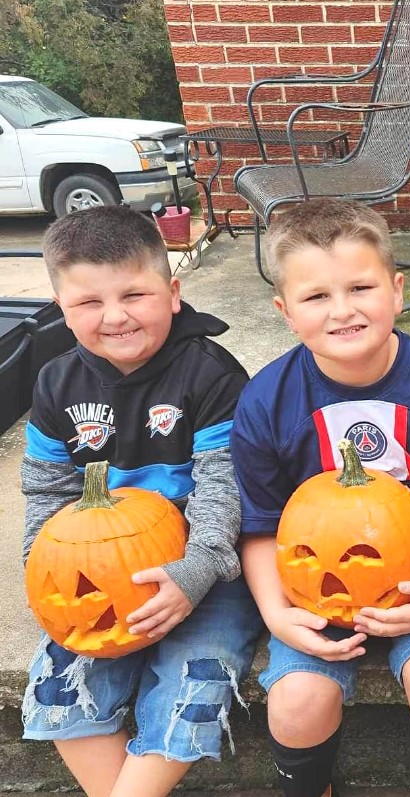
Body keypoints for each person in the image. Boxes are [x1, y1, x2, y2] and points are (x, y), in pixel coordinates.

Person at [231, 198, 410, 797]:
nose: (343, 310)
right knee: (296, 701)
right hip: (314, 585)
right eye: (317, 296)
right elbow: (259, 527)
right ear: (285, 312)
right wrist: (278, 615)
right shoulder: (266, 401)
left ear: (397, 292)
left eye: (360, 287)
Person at [20, 204, 262, 797]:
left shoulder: (212, 375)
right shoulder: (55, 385)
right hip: (97, 577)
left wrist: (195, 571)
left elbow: (222, 489)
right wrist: (42, 567)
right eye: (89, 304)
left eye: (135, 294)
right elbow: (45, 493)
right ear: (61, 311)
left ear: (173, 292)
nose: (116, 317)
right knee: (59, 694)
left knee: (193, 689)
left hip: (208, 573)